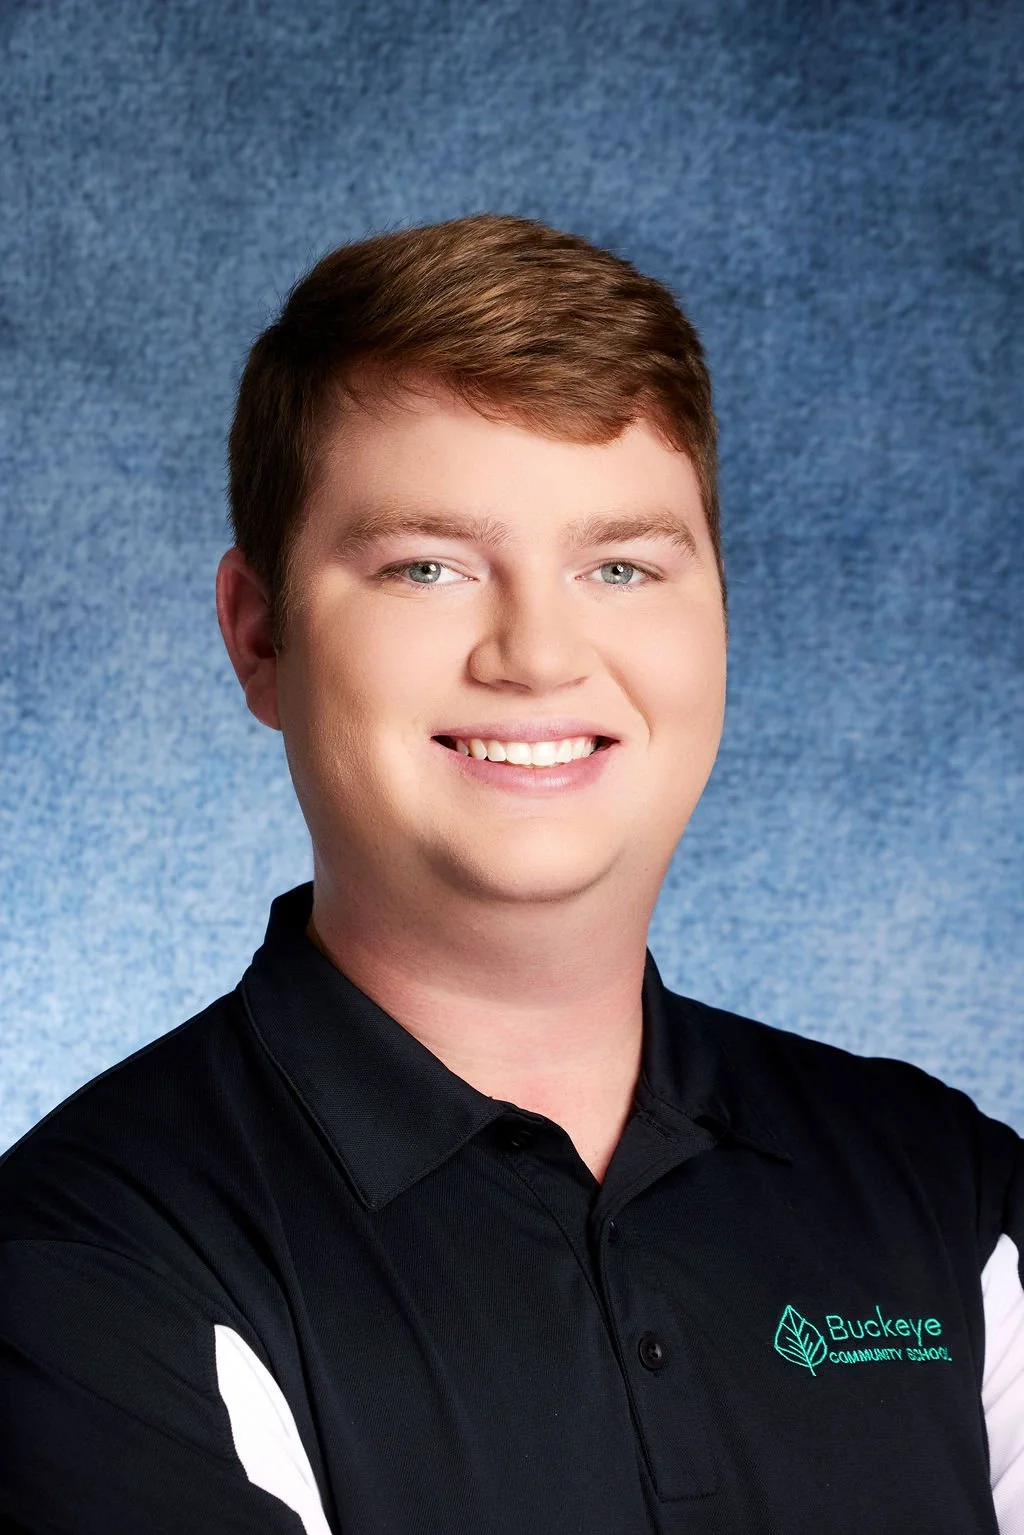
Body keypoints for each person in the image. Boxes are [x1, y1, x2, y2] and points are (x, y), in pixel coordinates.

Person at [1, 212, 1021, 1534]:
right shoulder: (85, 1268)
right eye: (426, 566)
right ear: (259, 638)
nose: (537, 654)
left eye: (621, 566)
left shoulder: (947, 1189)